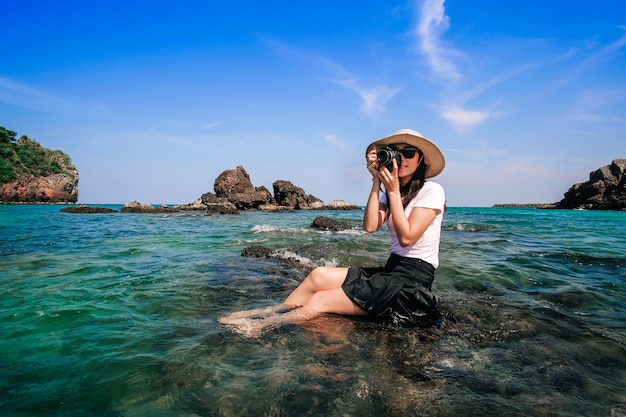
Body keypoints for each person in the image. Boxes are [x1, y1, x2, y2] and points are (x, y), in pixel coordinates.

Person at [219, 128, 446, 337]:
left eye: (408, 152)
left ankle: (263, 325)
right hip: (392, 270)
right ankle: (270, 311)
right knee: (318, 274)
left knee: (320, 300)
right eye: (395, 153)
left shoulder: (432, 191)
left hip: (412, 282)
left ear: (421, 159)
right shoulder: (392, 193)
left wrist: (393, 191)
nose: (401, 159)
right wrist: (377, 182)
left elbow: (407, 238)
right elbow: (370, 226)